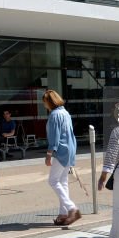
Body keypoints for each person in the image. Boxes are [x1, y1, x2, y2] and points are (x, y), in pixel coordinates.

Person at [43, 89, 80, 227]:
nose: (44, 106)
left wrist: (49, 154)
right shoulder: (65, 113)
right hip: (70, 148)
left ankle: (72, 208)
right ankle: (63, 214)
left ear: (49, 102)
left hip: (61, 150)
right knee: (63, 181)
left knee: (53, 181)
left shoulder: (54, 115)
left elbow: (54, 136)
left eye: (45, 103)